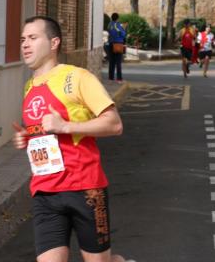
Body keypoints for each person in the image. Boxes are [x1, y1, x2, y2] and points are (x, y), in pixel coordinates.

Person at [13, 16, 133, 262]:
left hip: (85, 189)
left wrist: (66, 126)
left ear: (53, 42)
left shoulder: (77, 78)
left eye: (33, 38)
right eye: (23, 39)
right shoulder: (29, 87)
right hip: (45, 191)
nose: (25, 44)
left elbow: (114, 124)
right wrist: (29, 136)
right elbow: (48, 131)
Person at [107, 13, 126, 83]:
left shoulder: (109, 25)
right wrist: (124, 30)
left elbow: (109, 32)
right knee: (118, 63)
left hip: (111, 44)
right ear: (117, 18)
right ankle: (119, 79)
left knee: (111, 62)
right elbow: (123, 34)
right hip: (118, 44)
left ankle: (110, 78)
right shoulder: (117, 25)